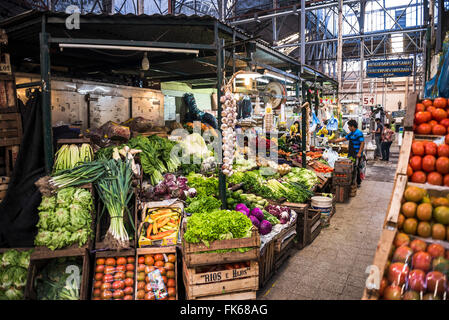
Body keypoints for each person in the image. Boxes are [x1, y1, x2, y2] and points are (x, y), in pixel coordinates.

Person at [329, 119, 365, 187]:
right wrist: (333, 141)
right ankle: (351, 181)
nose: (348, 128)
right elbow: (343, 139)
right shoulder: (351, 133)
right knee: (350, 167)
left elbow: (362, 143)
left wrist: (359, 153)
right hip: (351, 152)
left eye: (349, 126)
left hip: (356, 153)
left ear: (352, 126)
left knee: (356, 167)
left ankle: (357, 182)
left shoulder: (359, 133)